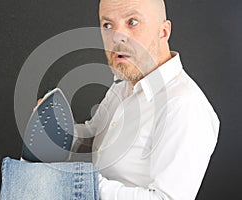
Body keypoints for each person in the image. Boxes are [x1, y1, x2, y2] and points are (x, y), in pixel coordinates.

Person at [69, 0, 220, 199]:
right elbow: (94, 137)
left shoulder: (183, 106)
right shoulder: (124, 85)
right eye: (107, 25)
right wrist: (57, 131)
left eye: (132, 22)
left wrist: (82, 183)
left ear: (163, 31)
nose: (117, 38)